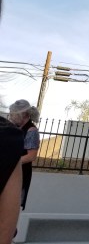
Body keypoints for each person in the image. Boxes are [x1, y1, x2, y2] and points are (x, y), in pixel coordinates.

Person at [8, 99, 40, 210]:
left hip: (20, 175)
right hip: (10, 172)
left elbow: (31, 156)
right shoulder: (16, 128)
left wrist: (10, 162)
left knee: (10, 208)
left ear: (23, 115)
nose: (11, 117)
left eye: (13, 115)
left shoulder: (31, 131)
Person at [0, 115, 23, 244]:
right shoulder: (8, 134)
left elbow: (32, 155)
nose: (12, 116)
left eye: (14, 113)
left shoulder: (9, 136)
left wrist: (15, 160)